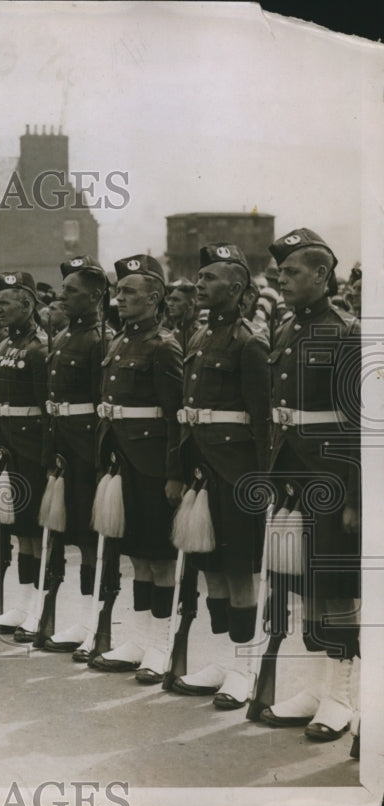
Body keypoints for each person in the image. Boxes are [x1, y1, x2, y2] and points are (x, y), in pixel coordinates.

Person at [258, 228, 360, 748]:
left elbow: (363, 425)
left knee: (336, 589)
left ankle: (343, 696)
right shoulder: (288, 328)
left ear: (322, 275)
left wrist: (357, 500)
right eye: (279, 273)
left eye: (293, 271)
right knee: (302, 586)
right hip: (293, 476)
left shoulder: (346, 331)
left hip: (332, 478)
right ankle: (314, 689)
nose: (282, 279)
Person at [168, 244, 270, 708]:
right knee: (210, 567)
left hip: (235, 470)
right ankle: (218, 660)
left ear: (236, 288)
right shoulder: (200, 337)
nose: (201, 284)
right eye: (200, 276)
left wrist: (261, 480)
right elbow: (186, 413)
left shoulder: (249, 343)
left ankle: (243, 669)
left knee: (239, 569)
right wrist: (178, 469)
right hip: (201, 467)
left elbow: (262, 420)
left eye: (209, 278)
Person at [87, 255, 183, 681]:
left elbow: (176, 415)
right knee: (136, 557)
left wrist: (175, 472)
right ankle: (140, 639)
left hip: (153, 464)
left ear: (155, 297)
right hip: (123, 461)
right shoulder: (120, 342)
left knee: (160, 558)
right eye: (118, 290)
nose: (119, 297)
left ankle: (161, 645)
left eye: (129, 291)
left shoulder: (164, 346)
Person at [41, 257, 111, 653]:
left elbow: (102, 402)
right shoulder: (66, 335)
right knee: (66, 534)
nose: (64, 296)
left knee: (89, 538)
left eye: (72, 291)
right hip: (63, 443)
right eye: (64, 289)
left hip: (87, 448)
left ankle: (94, 625)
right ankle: (75, 617)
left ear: (96, 296)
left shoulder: (100, 339)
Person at [0, 272, 49, 637]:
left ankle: (39, 608)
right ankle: (22, 604)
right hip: (7, 450)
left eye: (6, 302)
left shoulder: (39, 348)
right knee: (19, 531)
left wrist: (48, 457)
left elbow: (46, 408)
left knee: (36, 531)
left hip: (32, 450)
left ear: (27, 304)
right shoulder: (4, 345)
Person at [164, 279, 201, 351]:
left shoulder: (198, 334)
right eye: (169, 299)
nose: (170, 304)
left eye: (176, 300)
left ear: (190, 303)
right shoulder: (167, 329)